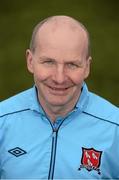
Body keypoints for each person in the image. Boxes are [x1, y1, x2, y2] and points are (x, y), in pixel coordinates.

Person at [0, 15, 119, 179]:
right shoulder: (2, 121)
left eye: (72, 64)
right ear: (30, 61)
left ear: (87, 67)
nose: (59, 78)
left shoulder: (115, 129)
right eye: (48, 62)